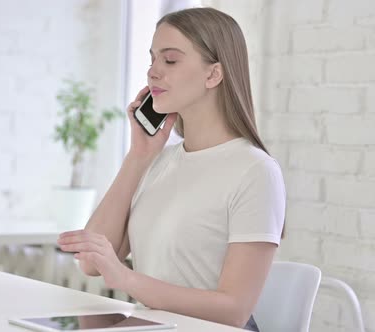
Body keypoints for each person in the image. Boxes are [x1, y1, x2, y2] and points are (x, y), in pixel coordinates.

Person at [57, 7, 286, 332]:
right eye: (152, 60)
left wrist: (126, 278)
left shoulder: (255, 171)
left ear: (213, 74)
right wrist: (138, 156)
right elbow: (91, 264)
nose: (153, 72)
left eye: (170, 60)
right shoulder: (158, 162)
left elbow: (234, 311)